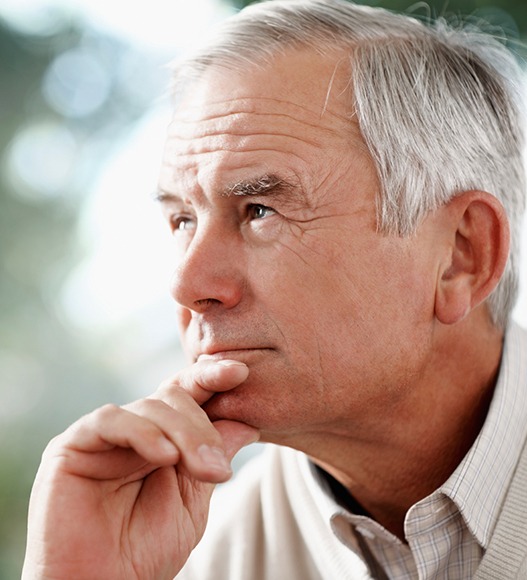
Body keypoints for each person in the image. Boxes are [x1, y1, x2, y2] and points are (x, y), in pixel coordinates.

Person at [22, 0, 527, 578]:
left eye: (259, 210)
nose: (187, 285)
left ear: (461, 254)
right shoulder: (190, 553)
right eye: (183, 219)